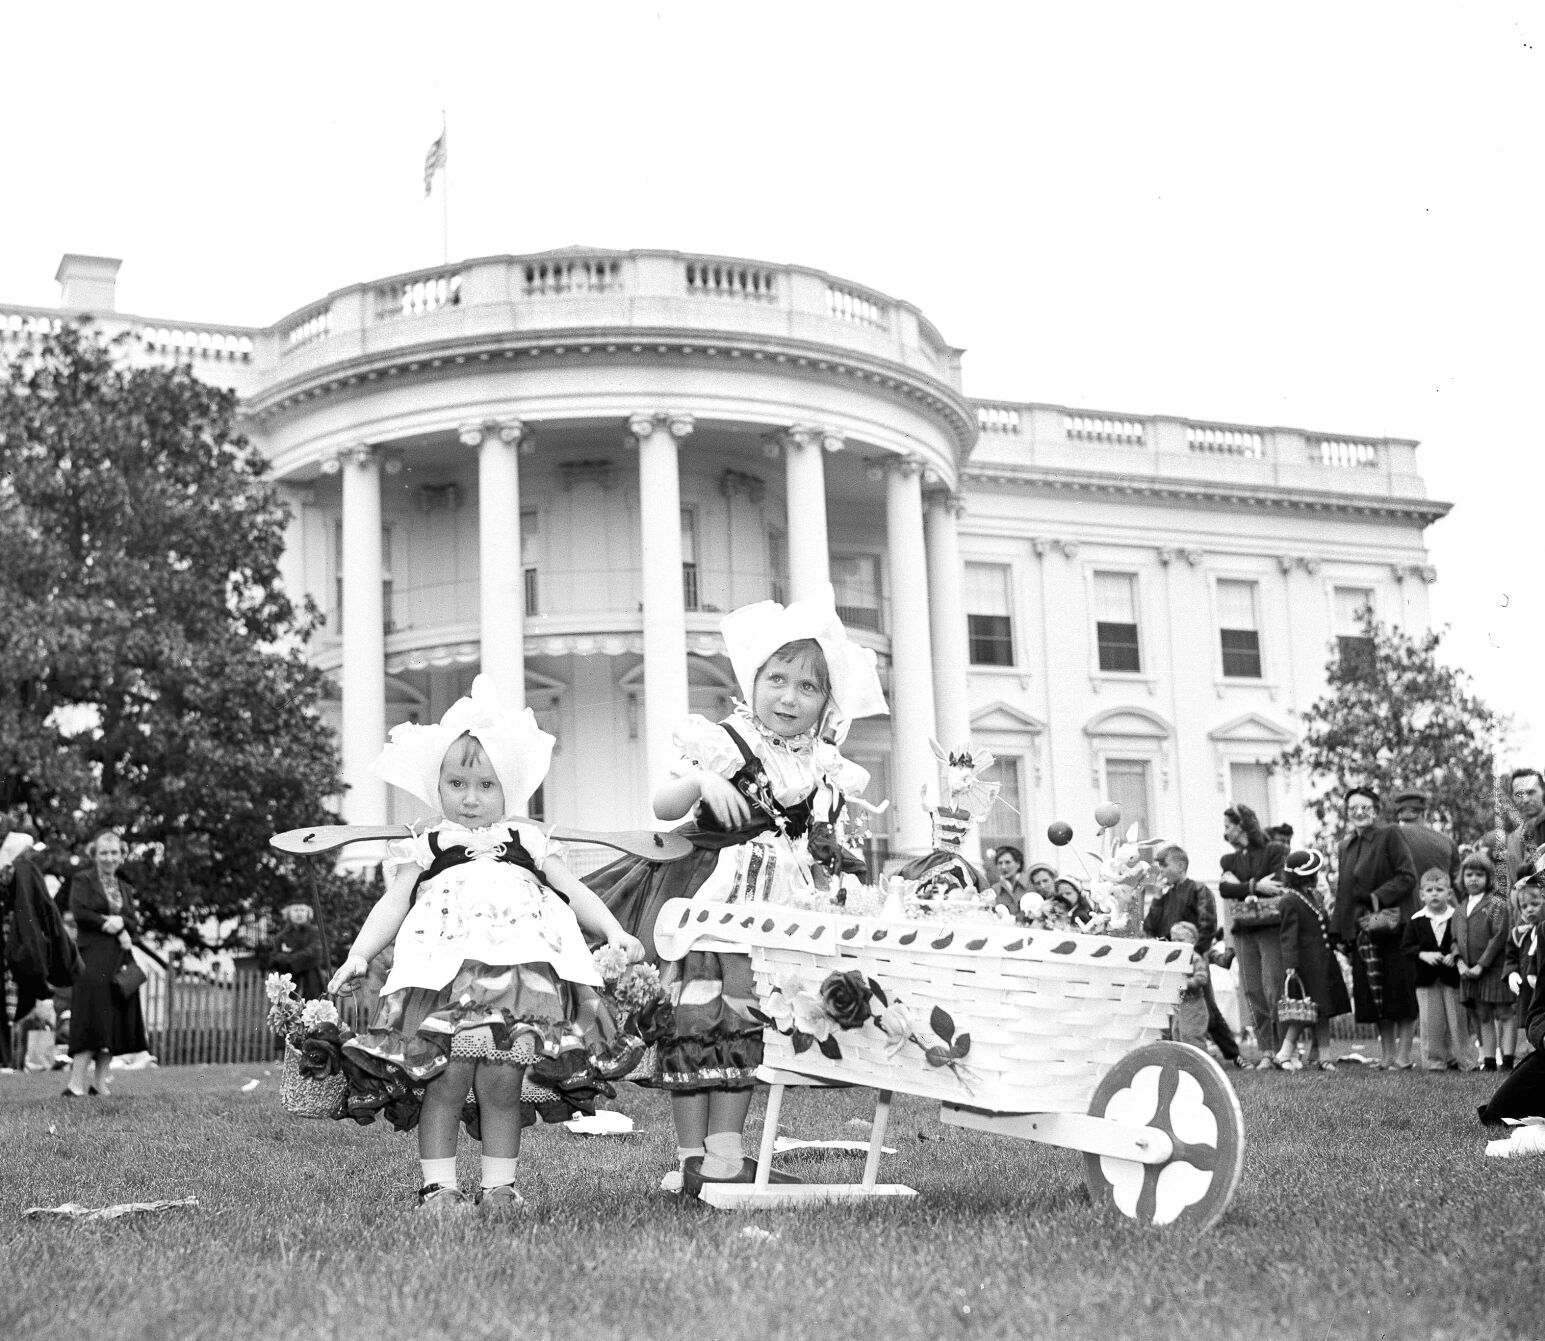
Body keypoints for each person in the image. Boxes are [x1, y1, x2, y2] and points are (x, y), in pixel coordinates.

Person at [587, 586, 887, 1198]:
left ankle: (723, 1153)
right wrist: (702, 780)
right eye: (777, 679)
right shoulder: (725, 741)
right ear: (752, 680)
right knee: (697, 1017)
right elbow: (662, 804)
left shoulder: (822, 763)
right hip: (709, 899)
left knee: (750, 1020)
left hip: (777, 906)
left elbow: (820, 840)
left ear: (827, 703)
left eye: (808, 687)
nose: (789, 697)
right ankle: (692, 1157)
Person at [328, 675, 645, 1212]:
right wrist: (360, 954)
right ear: (438, 786)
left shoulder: (530, 841)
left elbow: (574, 892)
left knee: (501, 1080)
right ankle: (438, 1188)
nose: (470, 798)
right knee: (446, 1079)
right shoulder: (426, 845)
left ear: (509, 789)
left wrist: (613, 931)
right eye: (457, 783)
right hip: (443, 976)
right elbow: (393, 903)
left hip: (519, 977)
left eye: (486, 786)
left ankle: (500, 1186)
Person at [1327, 786, 1419, 1069]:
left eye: (1365, 807)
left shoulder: (1390, 834)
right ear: (1347, 812)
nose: (1359, 812)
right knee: (1375, 995)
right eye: (1353, 807)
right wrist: (1338, 930)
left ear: (1376, 810)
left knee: (1399, 991)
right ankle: (1387, 1055)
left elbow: (1407, 876)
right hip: (1362, 929)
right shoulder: (1345, 846)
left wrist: (1376, 897)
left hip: (1393, 925)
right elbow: (1343, 892)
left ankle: (1403, 1057)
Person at [65, 831, 148, 1097]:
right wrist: (108, 923)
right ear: (95, 855)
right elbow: (79, 912)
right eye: (104, 852)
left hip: (118, 959)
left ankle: (100, 1083)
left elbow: (133, 921)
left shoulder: (125, 887)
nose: (109, 858)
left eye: (114, 853)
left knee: (114, 1019)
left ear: (121, 855)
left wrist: (123, 923)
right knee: (91, 1015)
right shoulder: (83, 880)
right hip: (92, 956)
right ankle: (75, 1084)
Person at [1143, 844, 1241, 1065]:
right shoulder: (1165, 896)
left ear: (1180, 865)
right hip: (1170, 962)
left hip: (1193, 958)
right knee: (1173, 1010)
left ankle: (1233, 1054)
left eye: (1164, 865)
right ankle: (1178, 1052)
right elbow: (1151, 927)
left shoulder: (1198, 889)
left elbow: (1207, 924)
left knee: (1207, 1006)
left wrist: (1194, 956)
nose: (1161, 871)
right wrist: (1157, 897)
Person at [1218, 803, 1288, 1064]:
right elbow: (1225, 889)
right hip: (1243, 932)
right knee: (1253, 992)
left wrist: (1241, 886)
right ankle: (1266, 1051)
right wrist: (1255, 886)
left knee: (1273, 988)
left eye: (1228, 826)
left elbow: (1278, 884)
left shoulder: (1274, 850)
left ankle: (1284, 1048)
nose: (1225, 832)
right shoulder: (1228, 860)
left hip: (1270, 928)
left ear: (1242, 825)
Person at [1272, 849, 1350, 1071]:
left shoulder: (1314, 896)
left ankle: (1324, 1057)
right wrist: (1291, 966)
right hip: (1306, 965)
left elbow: (1324, 925)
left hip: (1323, 962)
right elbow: (1288, 936)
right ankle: (1284, 1053)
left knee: (1323, 1011)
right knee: (1305, 1012)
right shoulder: (1289, 900)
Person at [1402, 866, 1476, 1071]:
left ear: (1449, 893)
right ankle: (1434, 1061)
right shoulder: (1416, 920)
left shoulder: (1457, 917)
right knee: (1431, 1022)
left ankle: (1463, 1060)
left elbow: (1464, 942)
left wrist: (1455, 955)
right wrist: (1423, 954)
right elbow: (1406, 948)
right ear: (1421, 895)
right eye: (1429, 890)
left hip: (1453, 978)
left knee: (1457, 1021)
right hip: (1426, 979)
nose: (1434, 894)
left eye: (1439, 889)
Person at [1452, 851, 1512, 1071]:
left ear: (1488, 878)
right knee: (1483, 1014)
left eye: (1479, 874)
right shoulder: (1460, 908)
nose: (1473, 879)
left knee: (1504, 1013)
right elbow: (1454, 940)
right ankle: (1489, 1061)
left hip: (1493, 968)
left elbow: (1499, 936)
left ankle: (1508, 1060)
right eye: (1469, 874)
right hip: (1469, 971)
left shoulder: (1496, 904)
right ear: (1462, 878)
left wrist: (1482, 965)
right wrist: (1459, 962)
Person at [1504, 875, 1542, 1061]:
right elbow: (1510, 956)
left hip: (1541, 988)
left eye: (1535, 904)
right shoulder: (1519, 934)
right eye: (1524, 907)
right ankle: (1525, 1055)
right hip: (1526, 990)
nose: (1529, 910)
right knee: (1527, 1019)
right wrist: (1511, 973)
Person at [1391, 789, 1460, 889]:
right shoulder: (1447, 842)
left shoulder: (1386, 838)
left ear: (1399, 814)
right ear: (1424, 813)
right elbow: (1458, 885)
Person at [265, 898, 326, 1000]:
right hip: (288, 980)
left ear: (308, 913)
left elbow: (314, 953)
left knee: (313, 1004)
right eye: (296, 910)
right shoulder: (282, 936)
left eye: (302, 910)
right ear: (288, 913)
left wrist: (289, 958)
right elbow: (274, 958)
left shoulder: (314, 932)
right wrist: (295, 959)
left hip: (312, 978)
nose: (299, 913)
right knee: (288, 1006)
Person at [1501, 768, 1545, 898]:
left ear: (1543, 791)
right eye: (1519, 794)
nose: (1525, 800)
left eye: (1530, 792)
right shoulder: (1513, 839)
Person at [1167, 921, 1210, 1048]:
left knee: (1191, 1036)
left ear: (1193, 941)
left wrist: (1184, 983)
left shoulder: (1195, 958)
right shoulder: (1174, 959)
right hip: (1179, 1004)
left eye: (1180, 940)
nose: (1176, 943)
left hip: (1194, 1004)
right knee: (1177, 1035)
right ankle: (1181, 1060)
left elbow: (1202, 978)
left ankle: (1197, 1059)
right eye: (1173, 940)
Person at [989, 845, 1033, 920]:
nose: (1003, 866)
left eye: (1007, 862)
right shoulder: (994, 890)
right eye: (1000, 863)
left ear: (1018, 864)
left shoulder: (1032, 884)